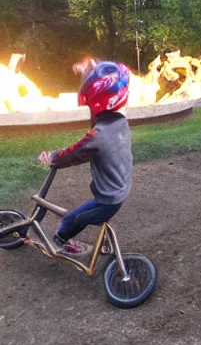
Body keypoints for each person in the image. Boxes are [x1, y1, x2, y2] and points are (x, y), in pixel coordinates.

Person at [38, 59, 133, 255]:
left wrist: (52, 157)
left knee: (73, 219)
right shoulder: (120, 123)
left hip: (109, 199)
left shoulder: (98, 136)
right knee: (84, 213)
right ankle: (103, 242)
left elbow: (75, 152)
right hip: (118, 189)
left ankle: (61, 240)